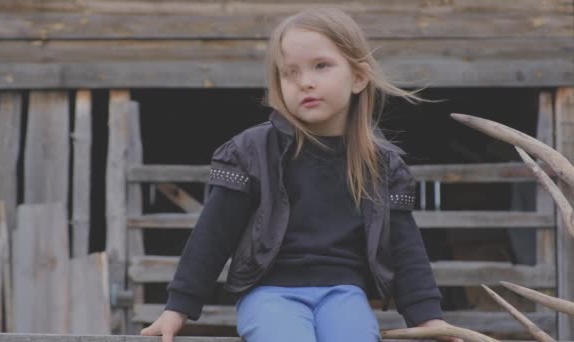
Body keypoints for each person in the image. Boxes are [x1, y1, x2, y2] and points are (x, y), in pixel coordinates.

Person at [142, 8, 460, 342]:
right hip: (269, 293)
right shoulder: (251, 152)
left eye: (321, 66)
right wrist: (177, 308)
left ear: (358, 77)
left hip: (345, 294)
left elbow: (405, 248)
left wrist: (428, 319)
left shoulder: (382, 165)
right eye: (289, 72)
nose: (305, 81)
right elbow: (212, 235)